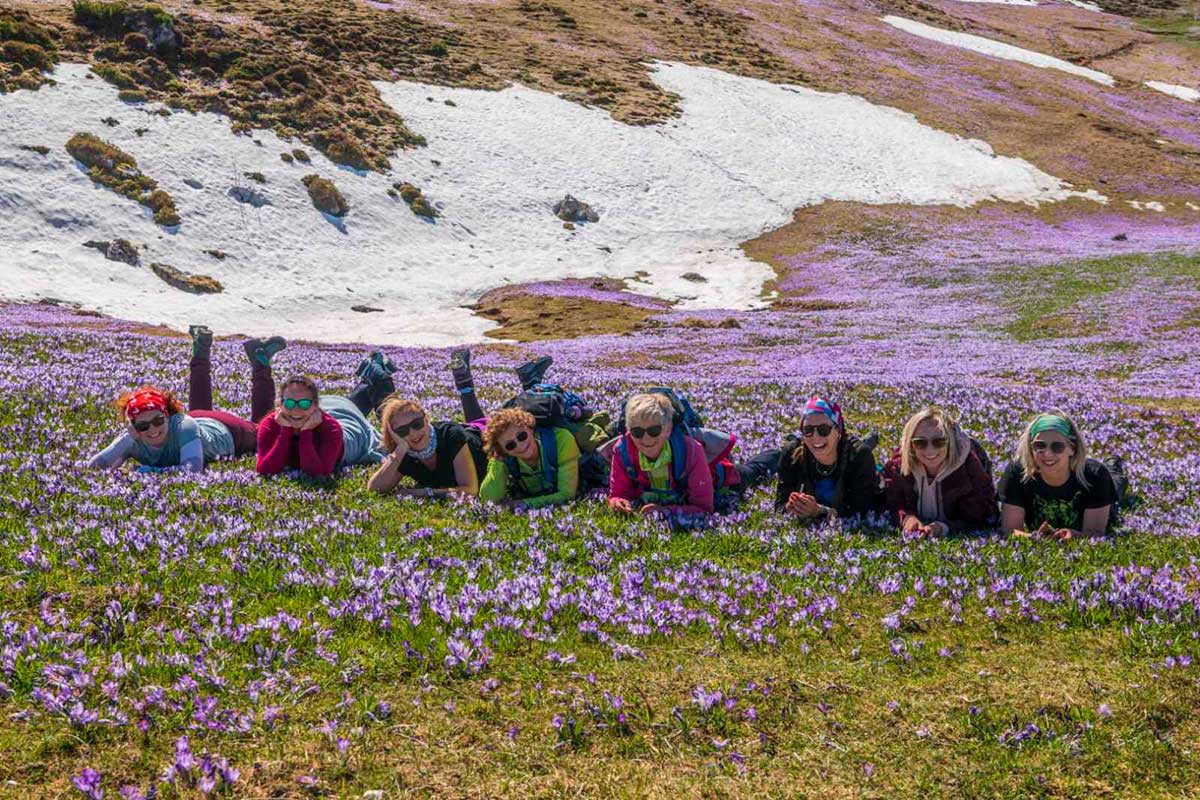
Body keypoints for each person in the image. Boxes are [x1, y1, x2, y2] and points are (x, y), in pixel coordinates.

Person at [88, 326, 282, 472]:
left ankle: (261, 363)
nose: (153, 429)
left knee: (263, 429)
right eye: (143, 426)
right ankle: (200, 350)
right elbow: (95, 467)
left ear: (167, 415)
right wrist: (128, 436)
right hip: (198, 420)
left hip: (227, 431)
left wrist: (149, 471)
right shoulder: (133, 438)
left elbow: (192, 469)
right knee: (197, 411)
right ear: (133, 425)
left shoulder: (183, 424)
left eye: (157, 420)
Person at [998, 412, 1127, 540]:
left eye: (1057, 447)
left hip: (1100, 487)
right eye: (1039, 446)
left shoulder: (1095, 475)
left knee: (1116, 486)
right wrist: (1034, 537)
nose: (1047, 453)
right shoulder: (1017, 473)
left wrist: (1076, 536)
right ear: (1031, 448)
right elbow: (1010, 530)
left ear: (1072, 448)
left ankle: (1113, 466)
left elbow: (1095, 533)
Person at [883, 407, 997, 537]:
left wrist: (944, 528)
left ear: (951, 442)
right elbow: (892, 504)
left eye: (939, 442)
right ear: (910, 444)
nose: (930, 450)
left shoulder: (969, 467)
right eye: (920, 442)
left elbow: (982, 516)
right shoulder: (899, 465)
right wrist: (907, 518)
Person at [256, 367, 388, 478]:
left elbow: (317, 473)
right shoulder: (269, 424)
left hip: (352, 428)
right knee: (353, 404)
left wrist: (306, 432)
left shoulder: (332, 429)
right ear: (280, 405)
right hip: (325, 409)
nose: (296, 409)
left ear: (315, 405)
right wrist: (285, 431)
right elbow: (265, 469)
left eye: (304, 403)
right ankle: (371, 374)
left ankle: (379, 378)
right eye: (289, 403)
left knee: (359, 410)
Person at [774, 397, 882, 521]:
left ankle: (869, 440)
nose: (816, 436)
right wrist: (792, 506)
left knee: (863, 447)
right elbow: (779, 506)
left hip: (854, 453)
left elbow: (861, 510)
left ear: (838, 430)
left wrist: (820, 511)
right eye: (808, 430)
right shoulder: (791, 454)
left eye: (823, 429)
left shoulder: (859, 456)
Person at [608, 392, 714, 518]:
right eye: (637, 432)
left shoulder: (692, 451)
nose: (646, 439)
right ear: (628, 430)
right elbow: (619, 493)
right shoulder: (622, 450)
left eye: (654, 430)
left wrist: (666, 512)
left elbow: (704, 508)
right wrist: (618, 502)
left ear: (668, 429)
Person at [478, 408, 582, 508]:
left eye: (522, 436)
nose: (520, 445)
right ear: (504, 451)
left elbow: (567, 495)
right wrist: (498, 459)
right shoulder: (505, 458)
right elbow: (489, 498)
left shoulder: (561, 439)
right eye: (510, 445)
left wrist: (522, 504)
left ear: (530, 428)